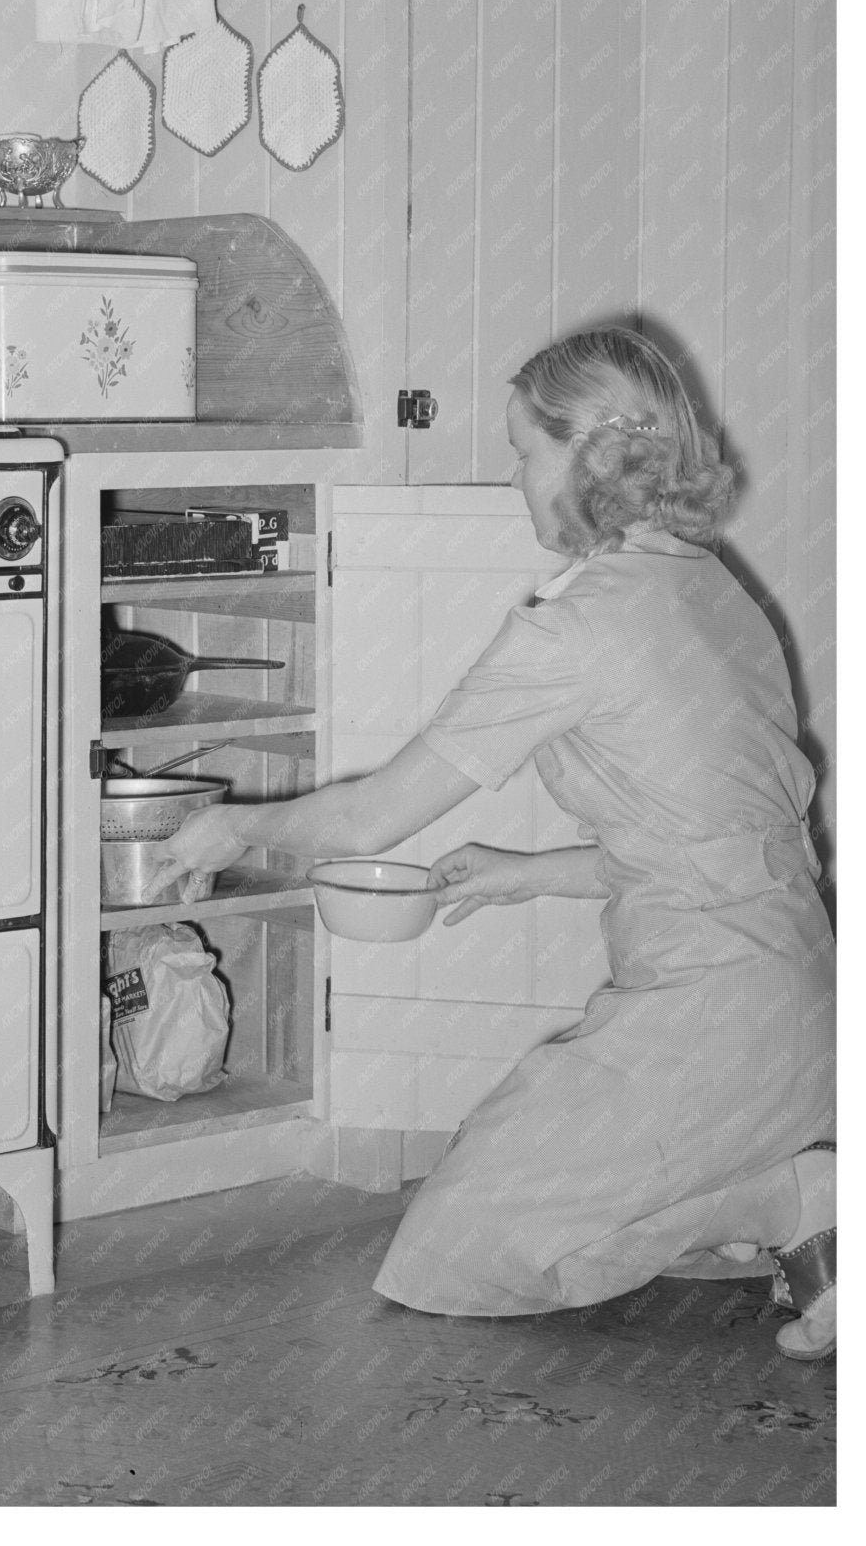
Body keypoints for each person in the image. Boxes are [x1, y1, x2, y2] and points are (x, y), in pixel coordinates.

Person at [161, 326, 836, 1358]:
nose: (516, 480)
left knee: (455, 1252)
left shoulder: (576, 629)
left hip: (710, 1020)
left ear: (596, 453)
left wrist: (232, 822)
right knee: (549, 1207)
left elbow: (367, 819)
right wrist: (529, 873)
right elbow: (714, 838)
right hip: (803, 1005)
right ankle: (800, 1216)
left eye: (526, 451)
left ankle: (796, 1193)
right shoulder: (715, 589)